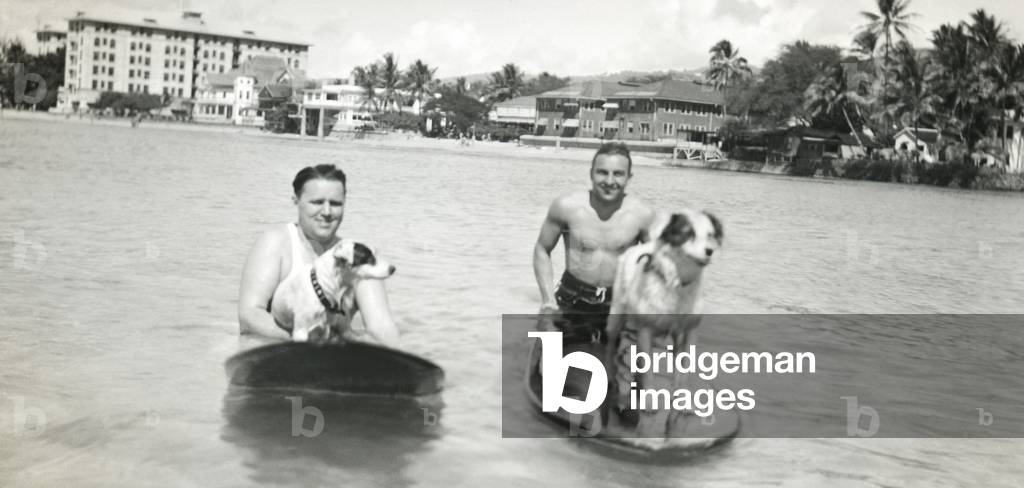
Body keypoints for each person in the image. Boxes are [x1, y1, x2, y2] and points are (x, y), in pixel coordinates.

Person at [238, 164, 399, 345]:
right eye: (317, 202)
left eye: (336, 204)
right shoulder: (275, 243)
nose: (327, 212)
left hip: (329, 354)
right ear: (295, 200)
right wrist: (302, 344)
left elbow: (383, 329)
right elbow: (249, 316)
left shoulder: (358, 259)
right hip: (277, 351)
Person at [533, 142, 656, 343]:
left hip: (618, 303)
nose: (609, 181)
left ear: (629, 177)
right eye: (602, 172)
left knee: (628, 372)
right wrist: (548, 300)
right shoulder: (566, 207)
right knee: (548, 371)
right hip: (571, 299)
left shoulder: (643, 215)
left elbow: (657, 266)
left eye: (618, 174)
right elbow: (542, 249)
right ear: (591, 174)